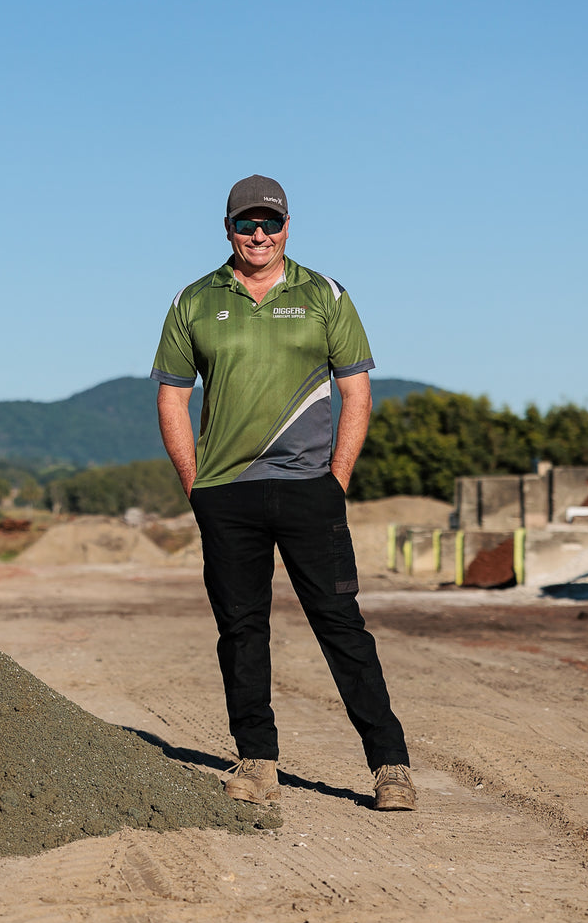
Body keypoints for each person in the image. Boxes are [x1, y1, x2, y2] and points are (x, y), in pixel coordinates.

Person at [151, 174, 416, 812]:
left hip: (308, 491)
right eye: (246, 224)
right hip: (227, 494)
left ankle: (391, 766)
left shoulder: (325, 295)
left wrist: (336, 480)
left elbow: (357, 392)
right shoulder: (194, 301)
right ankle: (257, 760)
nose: (259, 234)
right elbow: (172, 397)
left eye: (270, 223)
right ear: (228, 229)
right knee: (241, 631)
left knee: (342, 627)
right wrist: (196, 485)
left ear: (288, 227)